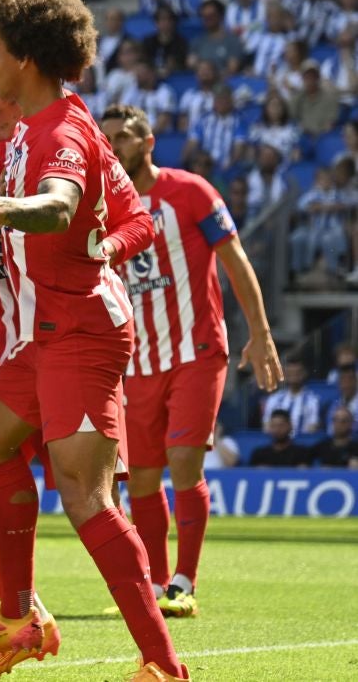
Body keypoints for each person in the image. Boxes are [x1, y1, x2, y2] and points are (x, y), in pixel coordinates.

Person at [0, 0, 187, 681]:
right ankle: (20, 617)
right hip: (41, 332)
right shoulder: (51, 120)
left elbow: (55, 207)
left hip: (79, 332)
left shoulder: (61, 133)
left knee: (86, 498)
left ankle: (162, 664)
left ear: (24, 54)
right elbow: (120, 208)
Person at [99, 103, 282, 620]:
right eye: (106, 137)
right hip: (136, 358)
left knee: (184, 461)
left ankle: (184, 580)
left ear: (148, 142)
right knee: (140, 479)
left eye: (123, 137)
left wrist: (260, 333)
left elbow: (235, 260)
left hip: (196, 350)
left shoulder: (192, 191)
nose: (113, 145)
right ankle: (156, 586)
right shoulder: (105, 203)